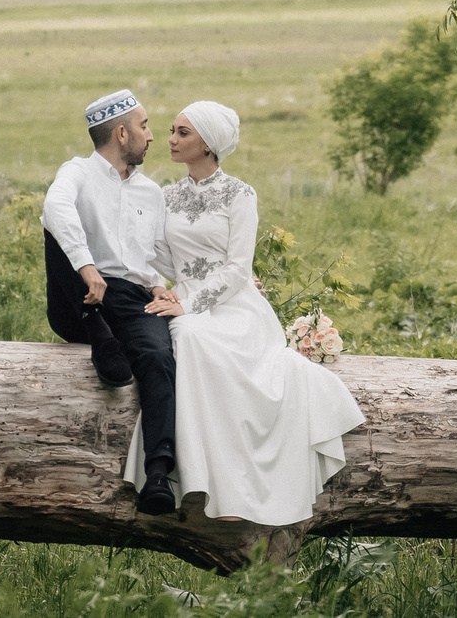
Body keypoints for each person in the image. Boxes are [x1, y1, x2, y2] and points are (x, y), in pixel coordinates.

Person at [122, 101, 366, 526]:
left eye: (183, 133)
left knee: (197, 338)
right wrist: (160, 287)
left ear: (209, 145)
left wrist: (189, 303)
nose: (171, 140)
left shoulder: (240, 195)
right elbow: (158, 258)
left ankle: (242, 477)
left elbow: (238, 268)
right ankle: (192, 472)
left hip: (236, 307)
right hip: (185, 299)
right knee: (186, 338)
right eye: (173, 131)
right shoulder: (166, 196)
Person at [42, 89, 181, 515]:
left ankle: (158, 473)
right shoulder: (78, 172)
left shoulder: (151, 193)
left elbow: (156, 253)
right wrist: (86, 266)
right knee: (56, 226)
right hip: (78, 295)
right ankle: (98, 333)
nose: (152, 136)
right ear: (121, 133)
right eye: (145, 126)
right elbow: (56, 207)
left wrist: (159, 284)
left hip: (129, 298)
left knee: (159, 356)